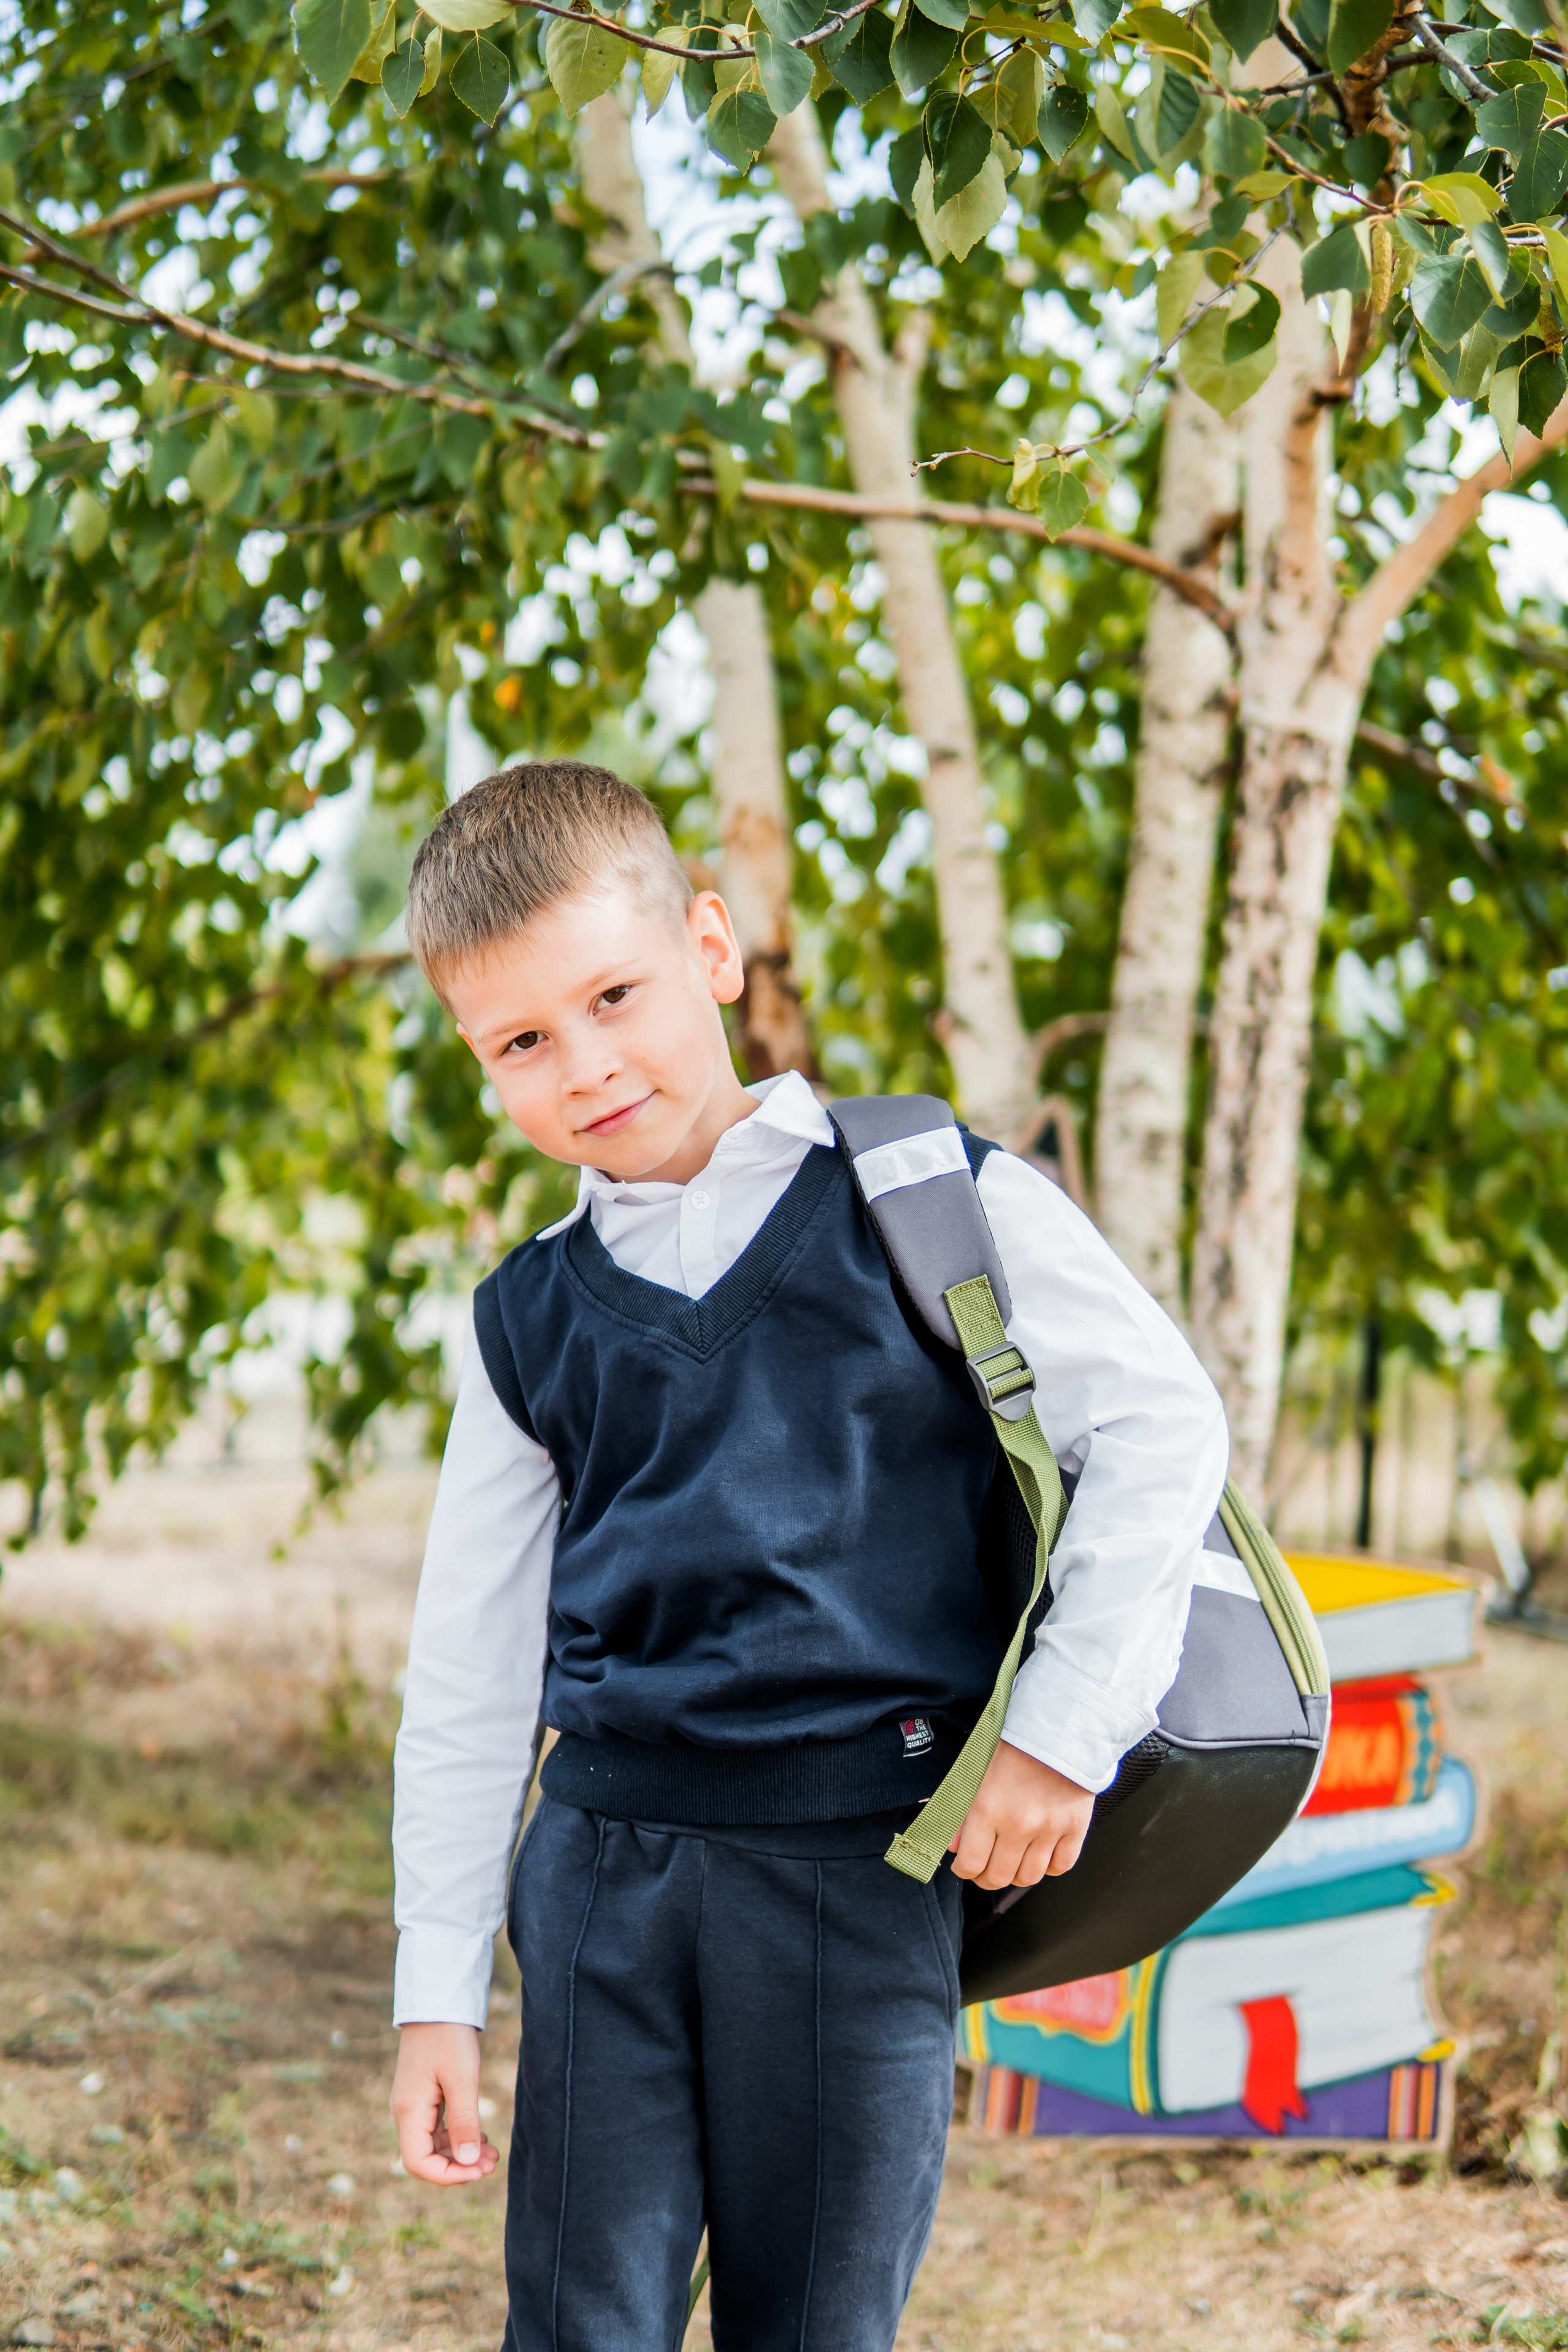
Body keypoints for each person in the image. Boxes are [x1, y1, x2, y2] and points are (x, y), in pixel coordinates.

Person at [388, 759, 1228, 2352]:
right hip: (602, 1891)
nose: (587, 1065)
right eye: (521, 1040)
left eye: (615, 993)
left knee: (818, 2330)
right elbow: (469, 1675)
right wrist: (438, 1985)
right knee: (580, 2327)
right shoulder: (525, 1321)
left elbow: (1164, 1428)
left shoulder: (926, 1198)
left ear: (713, 949)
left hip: (862, 1873)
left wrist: (1058, 1734)